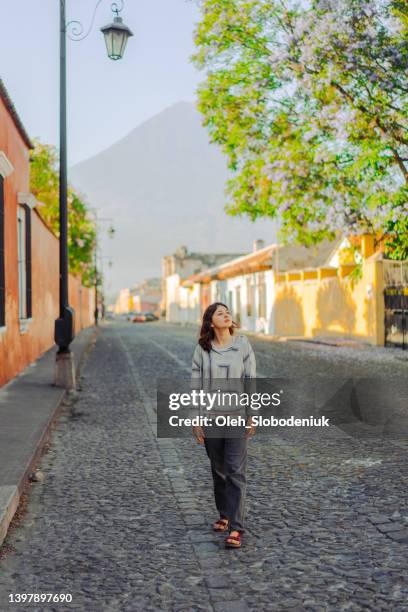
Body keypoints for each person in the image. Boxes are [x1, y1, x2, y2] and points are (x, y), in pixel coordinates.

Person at [191, 302, 256, 549]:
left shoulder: (243, 345)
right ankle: (224, 514)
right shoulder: (202, 349)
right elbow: (195, 385)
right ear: (210, 322)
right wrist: (196, 419)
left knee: (235, 471)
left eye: (228, 312)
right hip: (211, 417)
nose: (227, 315)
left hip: (237, 416)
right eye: (220, 313)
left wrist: (253, 414)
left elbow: (250, 379)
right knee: (218, 470)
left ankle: (237, 527)